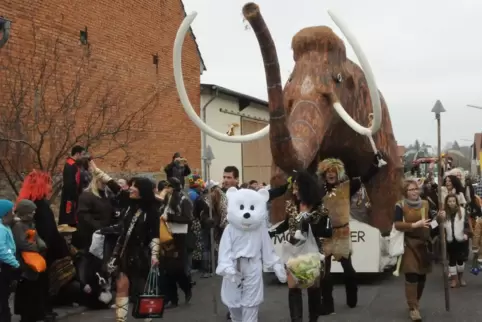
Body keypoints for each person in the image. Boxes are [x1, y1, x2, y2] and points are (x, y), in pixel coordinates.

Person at [89, 161, 160, 322]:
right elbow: (113, 184)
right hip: (123, 252)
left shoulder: (151, 211)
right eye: (131, 185)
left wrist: (155, 255)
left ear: (143, 190)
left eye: (135, 186)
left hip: (141, 254)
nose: (131, 188)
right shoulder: (128, 202)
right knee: (122, 286)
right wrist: (97, 171)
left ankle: (146, 318)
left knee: (141, 290)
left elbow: (155, 235)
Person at [317, 155, 381, 315]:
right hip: (325, 235)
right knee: (324, 273)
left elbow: (366, 177)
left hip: (342, 232)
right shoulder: (318, 190)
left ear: (338, 173)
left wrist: (375, 163)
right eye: (328, 172)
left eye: (334, 171)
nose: (331, 174)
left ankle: (352, 296)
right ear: (324, 174)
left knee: (348, 270)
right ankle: (327, 304)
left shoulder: (347, 186)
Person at [269, 171, 333, 322]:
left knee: (313, 289)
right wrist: (271, 233)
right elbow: (286, 224)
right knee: (293, 288)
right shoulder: (292, 206)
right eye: (294, 188)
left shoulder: (319, 208)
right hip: (293, 251)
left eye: (297, 188)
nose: (295, 191)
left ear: (306, 188)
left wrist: (308, 223)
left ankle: (313, 319)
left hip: (313, 253)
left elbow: (328, 232)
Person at [393, 179, 443, 321]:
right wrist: (414, 225)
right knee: (412, 275)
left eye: (416, 189)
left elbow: (430, 226)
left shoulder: (426, 204)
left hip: (423, 245)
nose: (415, 192)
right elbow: (397, 225)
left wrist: (439, 219)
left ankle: (415, 301)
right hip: (408, 244)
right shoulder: (400, 205)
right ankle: (413, 308)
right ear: (405, 192)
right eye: (411, 189)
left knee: (421, 278)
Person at [12, 199, 49, 322]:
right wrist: (37, 248)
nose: (33, 213)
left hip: (33, 261)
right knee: (26, 290)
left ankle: (35, 313)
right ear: (24, 212)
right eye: (31, 211)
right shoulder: (18, 226)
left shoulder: (30, 224)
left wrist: (42, 245)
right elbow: (22, 243)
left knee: (34, 289)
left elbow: (37, 238)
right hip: (24, 262)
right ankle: (26, 314)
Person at [160, 177, 193, 308]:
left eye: (168, 187)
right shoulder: (167, 200)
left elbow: (188, 218)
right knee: (167, 269)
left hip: (180, 237)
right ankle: (172, 298)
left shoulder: (184, 200)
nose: (165, 190)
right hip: (167, 235)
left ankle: (186, 287)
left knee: (176, 268)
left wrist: (171, 218)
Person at [74, 175, 116, 252]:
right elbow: (83, 215)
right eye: (101, 181)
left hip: (103, 234)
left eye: (105, 182)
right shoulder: (86, 196)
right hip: (90, 235)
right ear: (95, 181)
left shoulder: (106, 196)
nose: (104, 184)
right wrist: (99, 227)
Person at [443, 193, 471, 287]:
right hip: (450, 240)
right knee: (451, 260)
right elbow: (438, 224)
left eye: (453, 201)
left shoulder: (462, 211)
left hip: (461, 239)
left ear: (456, 202)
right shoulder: (444, 213)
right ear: (446, 202)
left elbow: (467, 223)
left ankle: (461, 278)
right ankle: (454, 280)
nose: (451, 203)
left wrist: (466, 233)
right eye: (449, 201)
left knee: (460, 261)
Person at [0, 200, 19, 322]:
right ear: (4, 213)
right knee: (2, 298)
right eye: (11, 212)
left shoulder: (5, 226)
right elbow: (2, 250)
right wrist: (15, 263)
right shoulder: (1, 229)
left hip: (5, 266)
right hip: (3, 267)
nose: (13, 214)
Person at [59, 145, 86, 225]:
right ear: (77, 154)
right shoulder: (70, 165)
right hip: (70, 198)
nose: (83, 156)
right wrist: (75, 196)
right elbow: (69, 184)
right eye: (82, 154)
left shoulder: (73, 164)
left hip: (73, 197)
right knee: (68, 218)